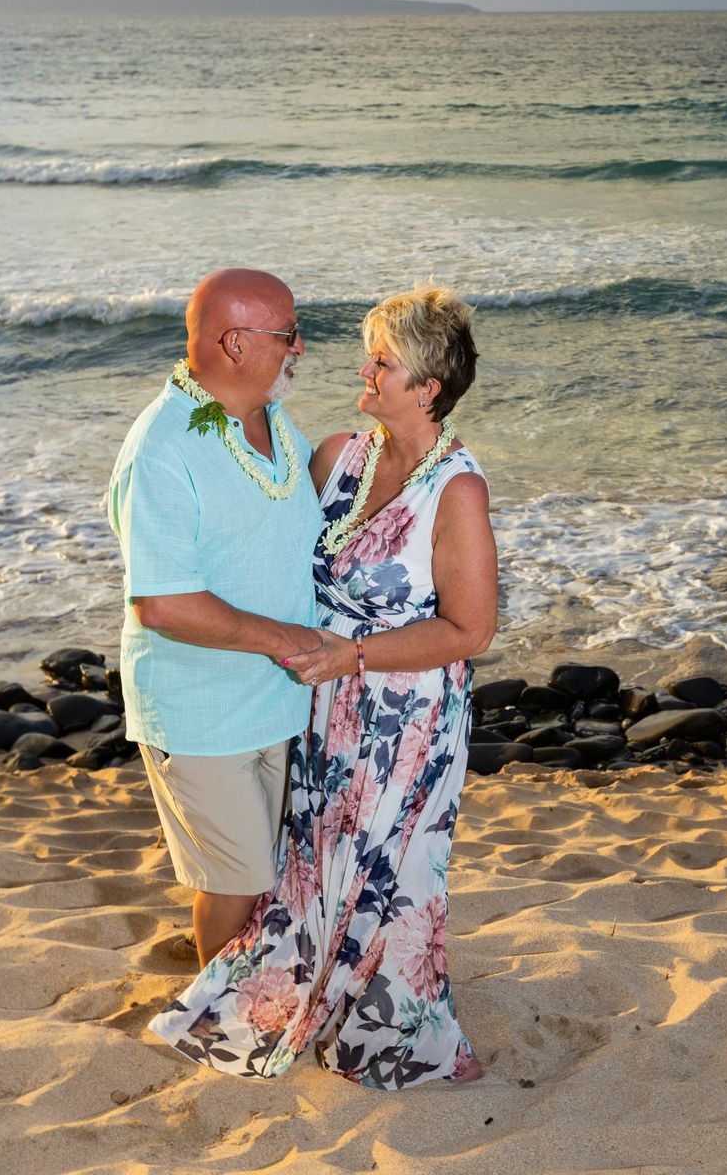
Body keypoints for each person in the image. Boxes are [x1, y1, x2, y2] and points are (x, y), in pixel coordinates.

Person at [149, 283, 496, 1090]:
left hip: (402, 717)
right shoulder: (340, 452)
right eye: (370, 356)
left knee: (387, 871)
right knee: (311, 856)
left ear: (428, 387)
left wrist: (357, 656)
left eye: (384, 362)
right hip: (319, 705)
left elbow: (470, 632)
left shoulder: (457, 491)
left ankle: (385, 1026)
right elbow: (269, 536)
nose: (364, 371)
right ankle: (304, 998)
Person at [107, 268, 325, 969]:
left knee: (262, 868)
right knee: (236, 878)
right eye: (287, 333)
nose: (300, 346)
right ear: (234, 342)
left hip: (275, 697)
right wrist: (286, 639)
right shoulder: (165, 446)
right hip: (199, 703)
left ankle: (248, 989)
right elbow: (164, 602)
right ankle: (219, 1014)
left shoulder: (264, 417)